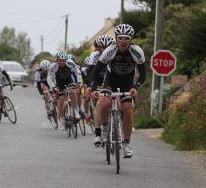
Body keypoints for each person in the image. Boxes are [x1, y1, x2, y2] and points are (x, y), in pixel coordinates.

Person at [87, 24, 146, 158]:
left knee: (128, 108)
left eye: (126, 38)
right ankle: (106, 126)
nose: (123, 41)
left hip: (127, 83)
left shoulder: (137, 51)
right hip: (110, 81)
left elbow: (143, 74)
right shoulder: (110, 50)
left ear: (130, 39)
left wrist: (135, 87)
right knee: (103, 103)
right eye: (120, 38)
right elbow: (95, 72)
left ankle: (126, 143)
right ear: (116, 39)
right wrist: (94, 87)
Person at [88, 35, 116, 146]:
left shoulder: (116, 54)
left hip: (112, 80)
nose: (105, 49)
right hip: (99, 80)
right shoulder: (95, 56)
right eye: (102, 47)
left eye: (108, 46)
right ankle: (98, 134)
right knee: (99, 103)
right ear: (98, 47)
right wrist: (93, 88)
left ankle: (120, 121)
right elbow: (92, 73)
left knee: (120, 98)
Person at [47, 51, 80, 129]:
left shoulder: (70, 63)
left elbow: (77, 72)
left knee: (72, 91)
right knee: (61, 100)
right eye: (60, 60)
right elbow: (49, 78)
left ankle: (75, 110)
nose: (62, 62)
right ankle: (61, 119)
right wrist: (53, 87)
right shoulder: (53, 66)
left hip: (69, 80)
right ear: (57, 60)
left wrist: (78, 82)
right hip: (59, 82)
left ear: (66, 60)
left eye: (63, 60)